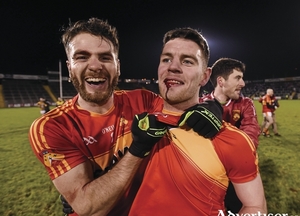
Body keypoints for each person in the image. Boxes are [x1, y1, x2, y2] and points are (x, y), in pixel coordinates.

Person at [28, 18, 222, 216]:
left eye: (105, 57)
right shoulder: (52, 126)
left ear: (117, 66)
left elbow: (181, 106)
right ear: (70, 68)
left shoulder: (143, 100)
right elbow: (88, 206)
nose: (95, 66)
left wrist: (210, 106)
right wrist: (138, 150)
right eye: (82, 57)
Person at [129, 28, 267, 215]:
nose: (173, 67)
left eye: (187, 61)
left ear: (205, 76)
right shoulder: (134, 113)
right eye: (166, 59)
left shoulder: (232, 140)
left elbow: (254, 206)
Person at [200, 57, 261, 213]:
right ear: (221, 81)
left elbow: (251, 134)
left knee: (241, 206)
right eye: (238, 78)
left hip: (236, 170)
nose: (243, 83)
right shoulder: (200, 105)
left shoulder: (245, 104)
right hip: (208, 172)